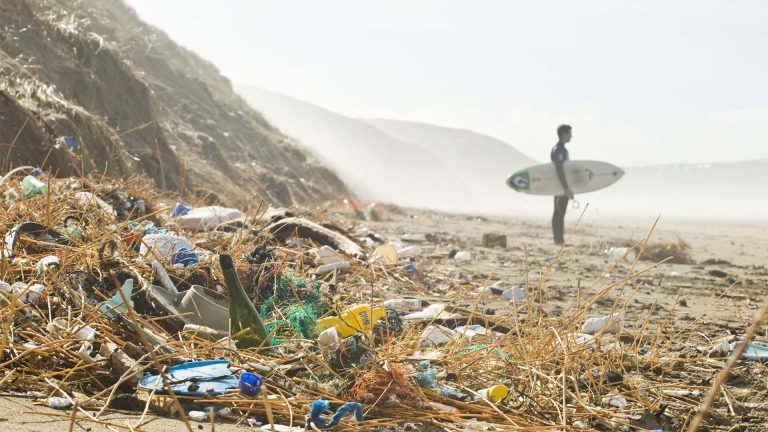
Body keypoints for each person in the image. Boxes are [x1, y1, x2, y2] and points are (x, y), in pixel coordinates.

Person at [551, 124, 573, 245]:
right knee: (559, 212)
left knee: (560, 212)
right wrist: (565, 188)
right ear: (564, 134)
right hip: (560, 187)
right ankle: (558, 240)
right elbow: (559, 169)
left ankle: (559, 239)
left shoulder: (562, 149)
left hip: (562, 186)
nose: (571, 136)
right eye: (570, 133)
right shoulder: (558, 149)